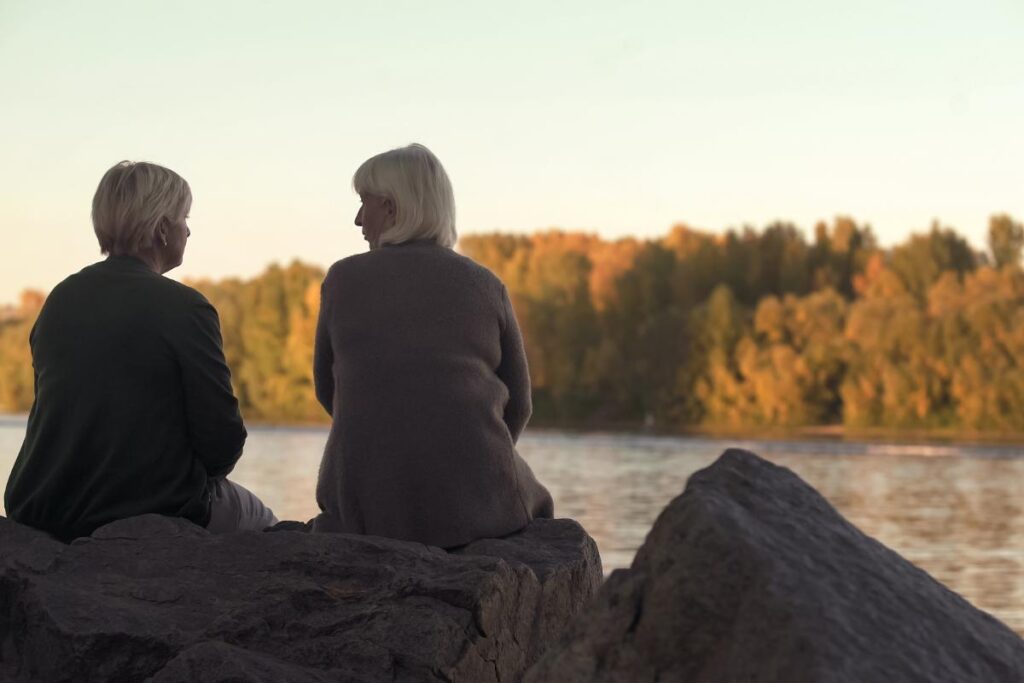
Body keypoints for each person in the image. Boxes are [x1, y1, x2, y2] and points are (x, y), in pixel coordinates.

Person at [4, 161, 277, 541]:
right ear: (163, 229)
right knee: (266, 522)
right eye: (184, 217)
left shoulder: (61, 298)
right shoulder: (186, 307)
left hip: (43, 506)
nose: (188, 229)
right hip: (149, 509)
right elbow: (221, 440)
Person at [312, 143, 553, 548]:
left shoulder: (342, 279)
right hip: (480, 508)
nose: (357, 219)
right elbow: (521, 405)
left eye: (363, 204)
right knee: (539, 506)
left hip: (364, 510)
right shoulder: (485, 284)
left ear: (390, 208)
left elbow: (327, 391)